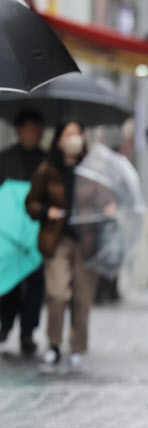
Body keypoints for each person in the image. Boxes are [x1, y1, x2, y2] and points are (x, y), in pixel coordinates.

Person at [25, 120, 114, 373]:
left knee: (82, 298)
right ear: (59, 139)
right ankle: (53, 344)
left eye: (77, 134)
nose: (73, 139)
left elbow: (105, 200)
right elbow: (30, 203)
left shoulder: (93, 169)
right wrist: (45, 211)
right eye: (68, 134)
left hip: (86, 241)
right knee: (57, 294)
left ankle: (78, 347)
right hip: (57, 240)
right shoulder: (47, 169)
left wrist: (108, 208)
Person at [0, 110, 46, 354]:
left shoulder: (46, 161)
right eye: (30, 128)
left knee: (36, 282)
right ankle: (5, 323)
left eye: (37, 128)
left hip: (36, 232)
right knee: (9, 278)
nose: (34, 133)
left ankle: (28, 332)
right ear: (19, 130)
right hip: (8, 233)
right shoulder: (4, 158)